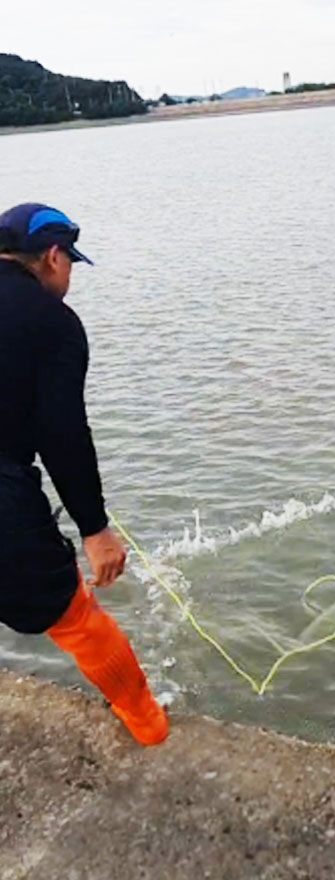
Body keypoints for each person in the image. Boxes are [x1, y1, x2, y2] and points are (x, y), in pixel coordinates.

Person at [0, 202, 168, 745]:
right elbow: (62, 432)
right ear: (52, 257)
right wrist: (95, 530)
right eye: (69, 262)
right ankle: (150, 728)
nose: (69, 275)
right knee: (73, 614)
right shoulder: (53, 323)